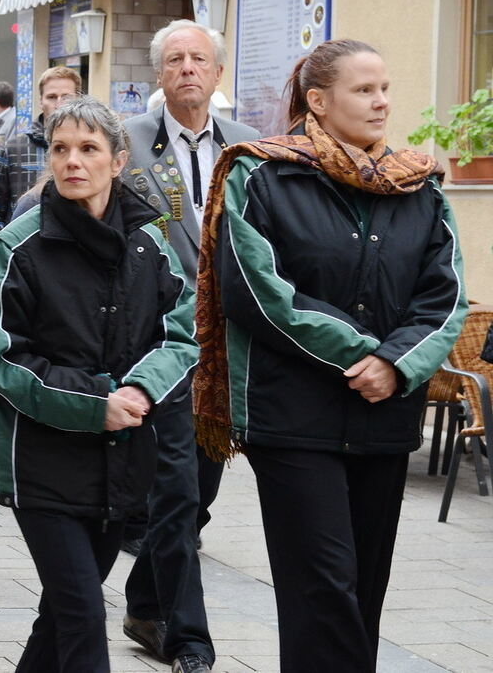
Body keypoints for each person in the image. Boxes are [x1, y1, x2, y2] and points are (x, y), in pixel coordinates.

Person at [195, 39, 466, 671]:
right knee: (323, 587)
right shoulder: (259, 173)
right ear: (318, 100)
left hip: (383, 417)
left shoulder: (418, 187)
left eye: (385, 88)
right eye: (364, 90)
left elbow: (444, 294)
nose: (381, 102)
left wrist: (397, 364)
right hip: (294, 420)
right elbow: (256, 292)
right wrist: (365, 354)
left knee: (364, 592)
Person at [0, 96, 198, 673]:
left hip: (122, 459)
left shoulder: (151, 242)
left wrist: (143, 391)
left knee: (61, 614)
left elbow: (183, 331)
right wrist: (95, 403)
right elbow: (2, 361)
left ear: (118, 160)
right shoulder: (15, 248)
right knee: (81, 613)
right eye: (60, 149)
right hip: (42, 460)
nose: (73, 161)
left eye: (89, 149)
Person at [118, 19, 259, 673]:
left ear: (217, 72)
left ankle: (146, 598)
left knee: (195, 492)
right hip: (158, 340)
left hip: (227, 346)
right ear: (159, 74)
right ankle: (187, 636)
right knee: (173, 488)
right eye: (173, 59)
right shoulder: (126, 143)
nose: (187, 69)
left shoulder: (251, 147)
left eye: (198, 59)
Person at [0, 67, 80, 241]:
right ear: (41, 101)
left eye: (67, 97)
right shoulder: (15, 148)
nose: (59, 103)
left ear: (79, 100)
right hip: (25, 257)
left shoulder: (90, 150)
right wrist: (8, 248)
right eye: (52, 97)